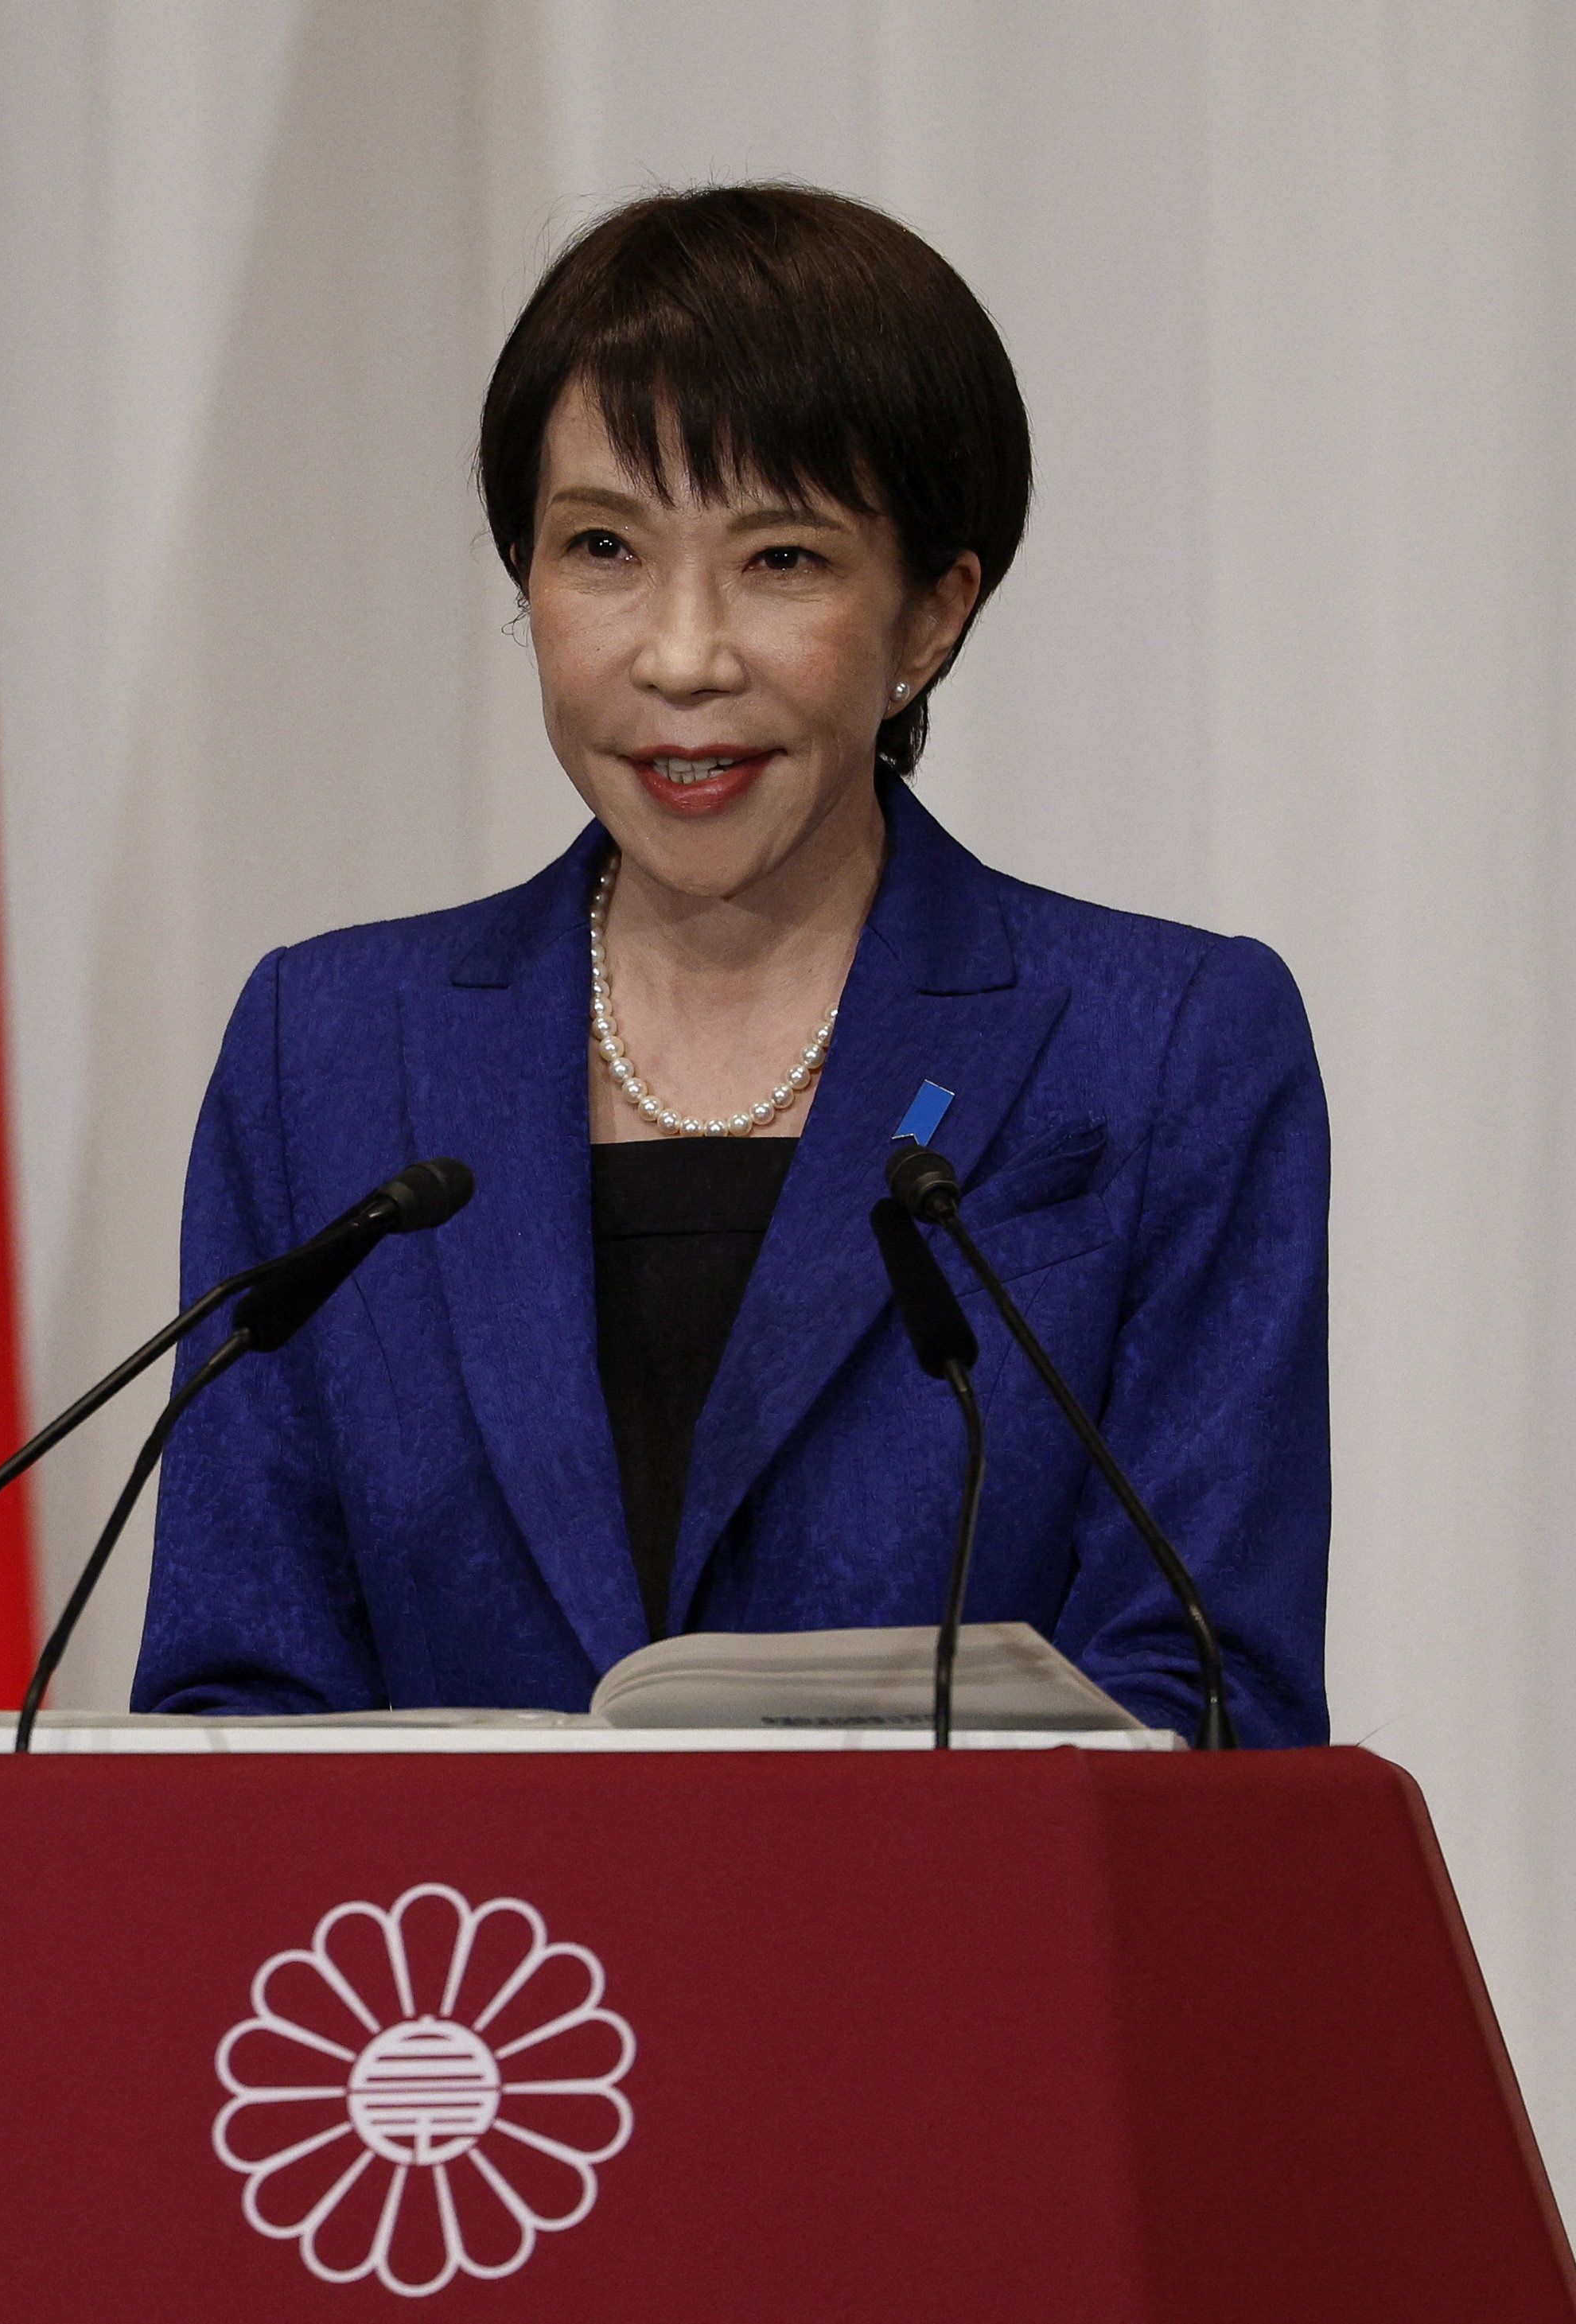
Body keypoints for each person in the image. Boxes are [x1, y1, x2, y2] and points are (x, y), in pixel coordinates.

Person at [133, 185, 1328, 1745]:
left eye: (780, 560)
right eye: (604, 548)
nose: (680, 654)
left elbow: (1211, 1696)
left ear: (931, 614)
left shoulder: (1161, 1047)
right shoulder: (331, 1053)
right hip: (462, 1982)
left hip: (955, 1979)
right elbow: (238, 1690)